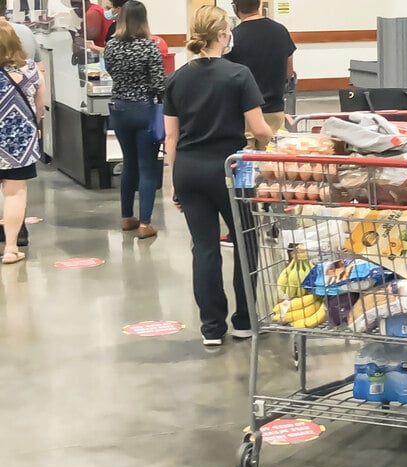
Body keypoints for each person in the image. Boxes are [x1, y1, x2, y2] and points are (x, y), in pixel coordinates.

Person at [164, 5, 272, 346]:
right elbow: (259, 128)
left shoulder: (177, 78)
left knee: (204, 247)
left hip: (189, 169)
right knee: (245, 241)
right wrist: (274, 143)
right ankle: (244, 320)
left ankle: (211, 327)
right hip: (233, 169)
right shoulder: (238, 74)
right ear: (224, 35)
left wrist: (174, 184)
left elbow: (171, 137)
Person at [102, 0, 164, 239]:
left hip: (119, 110)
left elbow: (111, 71)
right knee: (147, 167)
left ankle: (127, 217)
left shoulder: (111, 46)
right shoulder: (149, 47)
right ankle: (145, 223)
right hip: (144, 110)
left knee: (129, 163)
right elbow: (159, 84)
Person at [225, 0, 296, 150]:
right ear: (259, 5)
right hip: (275, 110)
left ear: (235, 8)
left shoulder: (233, 37)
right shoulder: (281, 31)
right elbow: (289, 72)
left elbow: (226, 77)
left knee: (245, 166)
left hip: (244, 115)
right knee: (274, 163)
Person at [0, 21, 43, 264]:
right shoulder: (29, 70)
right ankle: (11, 248)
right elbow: (39, 109)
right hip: (19, 145)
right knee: (15, 194)